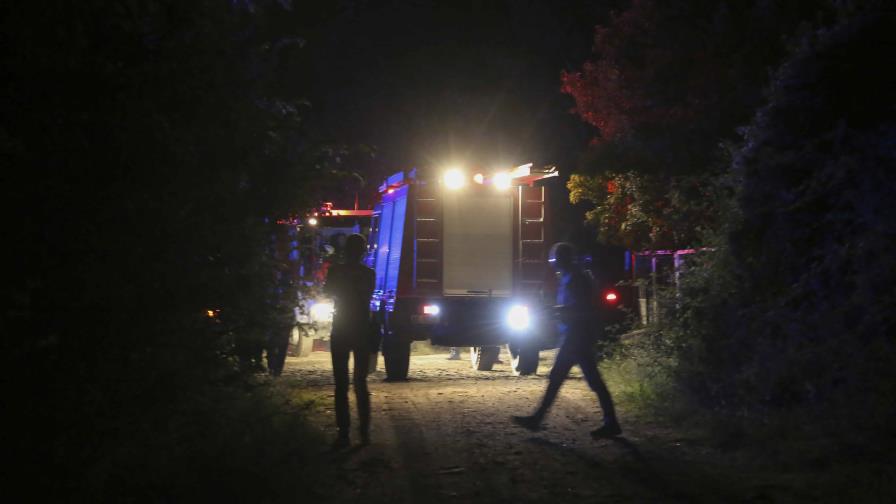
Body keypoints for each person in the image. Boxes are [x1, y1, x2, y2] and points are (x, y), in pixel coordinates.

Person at [512, 242, 622, 439]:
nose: (553, 264)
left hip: (577, 336)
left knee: (564, 378)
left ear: (562, 260)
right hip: (576, 335)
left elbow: (582, 308)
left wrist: (556, 311)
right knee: (584, 380)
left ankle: (537, 419)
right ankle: (610, 422)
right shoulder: (572, 277)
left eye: (555, 260)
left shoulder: (575, 279)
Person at [323, 233, 376, 448]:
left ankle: (343, 433)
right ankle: (364, 433)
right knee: (360, 382)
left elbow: (328, 292)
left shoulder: (336, 271)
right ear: (363, 251)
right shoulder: (368, 273)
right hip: (361, 328)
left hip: (341, 327)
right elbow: (368, 296)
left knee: (341, 384)